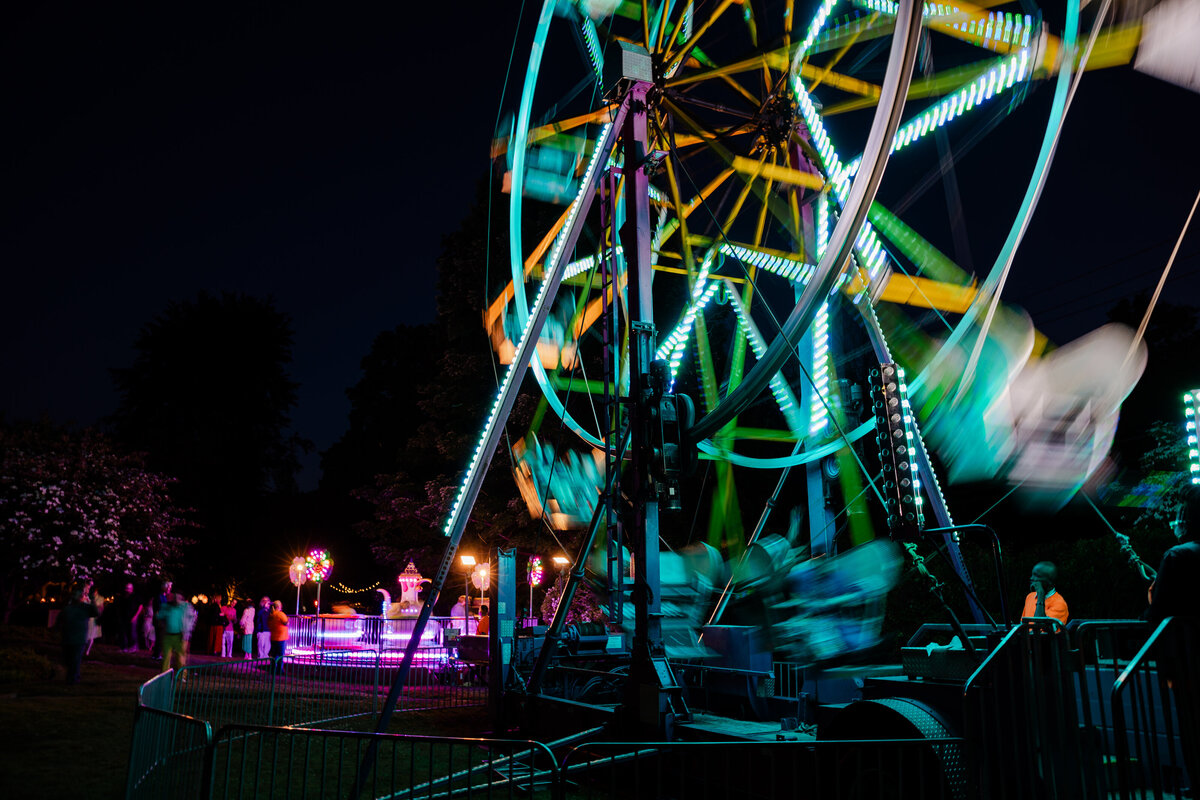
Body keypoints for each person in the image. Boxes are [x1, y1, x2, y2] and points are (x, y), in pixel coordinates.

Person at [60, 583, 101, 683]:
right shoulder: (68, 608)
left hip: (78, 638)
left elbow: (96, 613)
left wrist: (92, 600)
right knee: (71, 659)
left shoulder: (84, 608)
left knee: (75, 659)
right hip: (70, 637)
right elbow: (61, 621)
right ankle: (72, 677)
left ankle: (73, 678)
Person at [156, 592, 188, 673]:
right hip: (168, 635)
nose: (176, 600)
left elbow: (190, 619)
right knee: (166, 657)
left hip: (179, 636)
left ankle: (182, 675)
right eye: (175, 598)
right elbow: (159, 616)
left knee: (180, 658)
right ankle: (164, 675)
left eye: (178, 599)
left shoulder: (184, 608)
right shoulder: (166, 607)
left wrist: (186, 633)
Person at [116, 582, 142, 653]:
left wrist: (135, 616)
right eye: (126, 588)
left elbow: (140, 606)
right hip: (124, 617)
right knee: (123, 632)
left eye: (128, 588)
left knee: (132, 632)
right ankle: (124, 647)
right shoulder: (123, 596)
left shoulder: (136, 596)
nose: (126, 590)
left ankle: (134, 647)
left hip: (133, 617)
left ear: (131, 589)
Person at [151, 579, 173, 658]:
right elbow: (157, 609)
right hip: (160, 620)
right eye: (169, 587)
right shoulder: (159, 597)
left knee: (160, 638)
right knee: (160, 638)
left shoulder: (164, 597)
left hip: (162, 620)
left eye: (170, 588)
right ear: (165, 587)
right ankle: (157, 654)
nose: (170, 589)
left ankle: (156, 654)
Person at [268, 600, 289, 673]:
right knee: (280, 655)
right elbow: (286, 622)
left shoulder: (271, 615)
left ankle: (272, 668)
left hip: (273, 637)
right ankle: (280, 670)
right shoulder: (280, 614)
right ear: (279, 606)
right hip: (281, 637)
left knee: (273, 655)